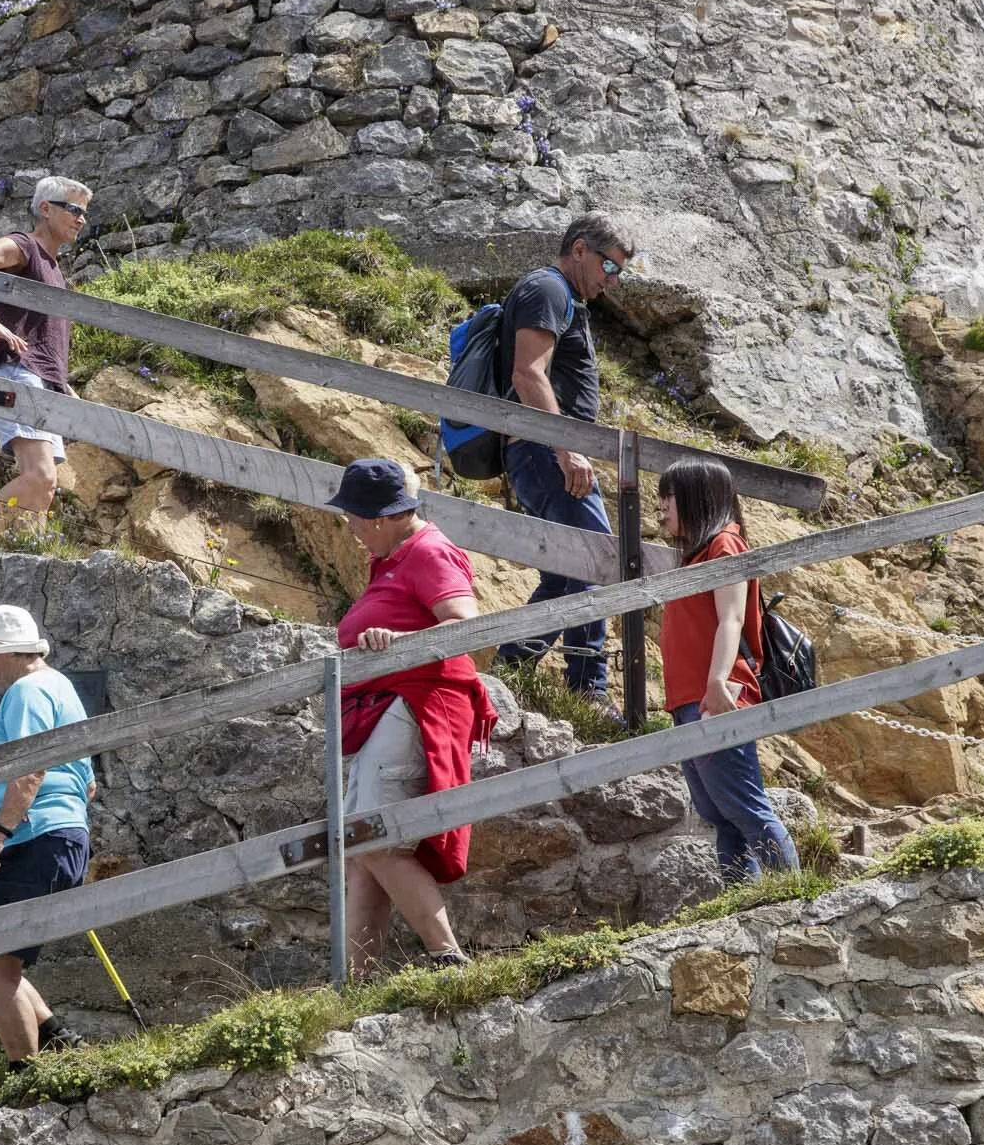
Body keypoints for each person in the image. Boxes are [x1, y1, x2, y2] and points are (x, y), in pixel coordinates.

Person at [329, 458, 497, 978]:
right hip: (393, 708)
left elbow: (469, 629)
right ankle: (355, 983)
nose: (350, 529)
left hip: (417, 703)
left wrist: (400, 645)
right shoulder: (398, 556)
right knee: (360, 847)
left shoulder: (428, 552)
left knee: (375, 836)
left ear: (380, 518)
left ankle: (448, 958)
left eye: (353, 518)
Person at [490, 217, 637, 705]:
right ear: (579, 249)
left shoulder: (562, 297)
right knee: (596, 560)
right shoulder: (548, 289)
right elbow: (528, 373)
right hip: (544, 453)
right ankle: (588, 691)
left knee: (564, 576)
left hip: (542, 453)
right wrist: (565, 448)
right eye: (608, 265)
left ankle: (509, 671)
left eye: (620, 272)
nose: (611, 280)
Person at [0, 604, 93, 1069]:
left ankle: (25, 1076)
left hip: (30, 839)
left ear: (5, 652)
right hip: (53, 836)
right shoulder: (61, 689)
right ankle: (57, 1039)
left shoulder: (27, 690)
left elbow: (30, 766)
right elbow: (87, 782)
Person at [657, 455, 802, 883]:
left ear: (696, 498)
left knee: (743, 804)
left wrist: (718, 681)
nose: (661, 507)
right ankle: (744, 900)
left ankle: (796, 894)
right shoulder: (697, 555)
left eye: (668, 497)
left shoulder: (725, 545)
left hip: (717, 694)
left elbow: (731, 618)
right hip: (690, 698)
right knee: (719, 812)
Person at [0, 176, 91, 544]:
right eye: (74, 209)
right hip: (18, 373)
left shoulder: (54, 270)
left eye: (84, 213)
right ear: (45, 209)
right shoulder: (25, 246)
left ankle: (28, 554)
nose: (81, 219)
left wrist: (64, 386)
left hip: (44, 382)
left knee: (45, 490)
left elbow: (44, 338)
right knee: (39, 477)